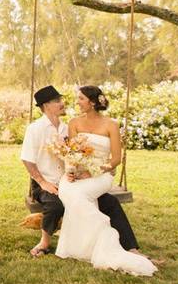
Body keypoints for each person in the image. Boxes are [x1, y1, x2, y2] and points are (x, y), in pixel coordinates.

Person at [20, 85, 142, 261]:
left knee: (111, 203)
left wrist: (103, 167)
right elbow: (27, 159)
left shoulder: (65, 127)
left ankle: (130, 247)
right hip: (45, 182)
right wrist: (42, 183)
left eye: (61, 100)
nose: (63, 103)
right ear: (46, 106)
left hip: (73, 178)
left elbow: (77, 155)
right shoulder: (35, 128)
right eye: (57, 101)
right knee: (56, 205)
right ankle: (45, 243)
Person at [54, 85, 157, 276]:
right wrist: (71, 171)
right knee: (69, 190)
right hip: (78, 174)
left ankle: (104, 237)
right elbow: (72, 153)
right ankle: (88, 243)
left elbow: (116, 158)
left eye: (81, 99)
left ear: (93, 102)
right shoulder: (74, 123)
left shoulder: (111, 125)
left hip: (101, 175)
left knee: (78, 195)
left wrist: (94, 171)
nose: (77, 102)